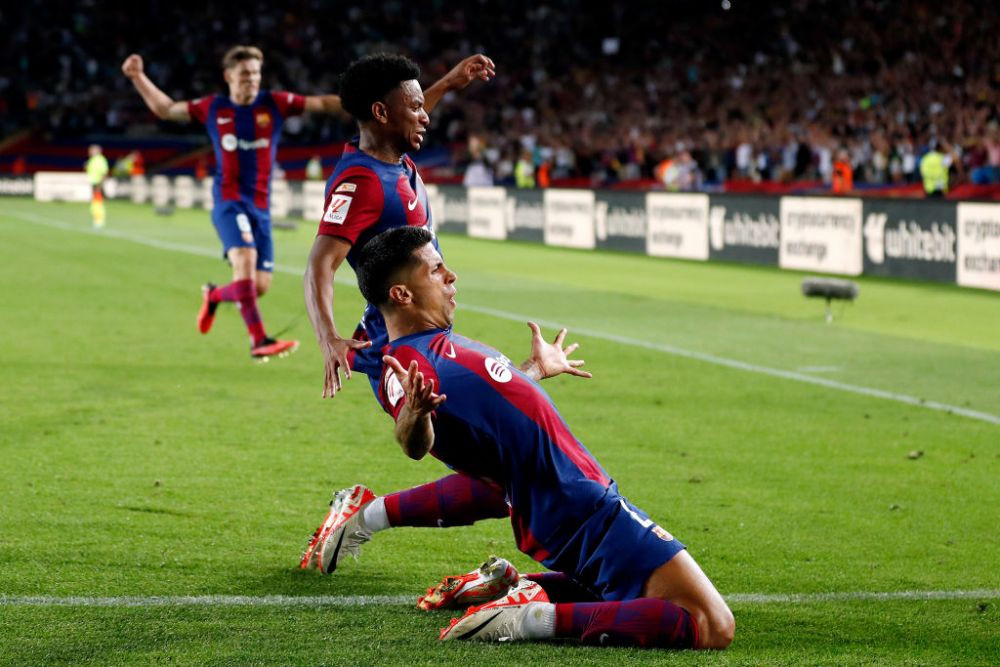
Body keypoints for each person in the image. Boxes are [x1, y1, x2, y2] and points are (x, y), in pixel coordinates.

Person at [308, 226, 734, 649]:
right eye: (436, 270)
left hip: (562, 500)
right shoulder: (410, 365)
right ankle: (526, 617)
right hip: (579, 503)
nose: (451, 276)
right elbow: (413, 440)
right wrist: (415, 415)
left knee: (627, 592)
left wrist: (533, 371)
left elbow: (484, 406)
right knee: (710, 623)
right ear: (402, 294)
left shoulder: (437, 345)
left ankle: (515, 588)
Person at [122, 46, 343, 360]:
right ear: (228, 76)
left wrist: (361, 102)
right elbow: (167, 109)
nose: (251, 79)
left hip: (261, 209)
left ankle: (214, 295)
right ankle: (259, 341)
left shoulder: (275, 103)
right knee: (245, 260)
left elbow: (320, 103)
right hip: (229, 202)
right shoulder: (214, 108)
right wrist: (138, 76)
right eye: (244, 74)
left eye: (255, 73)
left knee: (258, 286)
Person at [85, 144, 109, 228]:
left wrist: (100, 185)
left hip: (98, 184)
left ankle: (99, 220)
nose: (90, 152)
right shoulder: (92, 160)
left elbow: (104, 173)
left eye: (92, 150)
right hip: (94, 183)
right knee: (95, 203)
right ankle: (96, 219)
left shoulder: (100, 160)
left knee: (98, 203)